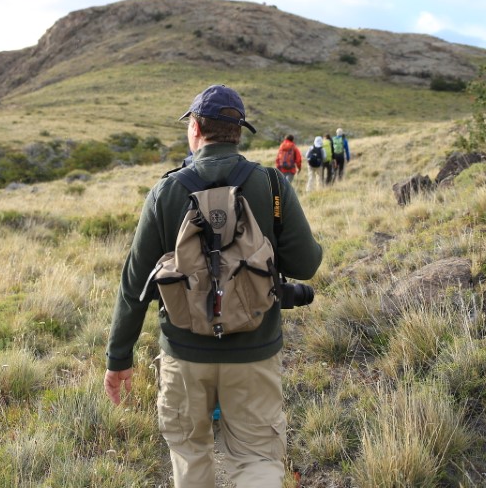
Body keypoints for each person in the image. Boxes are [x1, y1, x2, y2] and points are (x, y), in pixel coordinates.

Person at [104, 85, 323, 487]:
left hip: (184, 355)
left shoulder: (166, 192)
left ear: (196, 129)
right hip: (255, 351)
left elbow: (134, 285)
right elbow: (307, 265)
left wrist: (119, 357)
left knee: (190, 454)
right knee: (257, 458)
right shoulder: (273, 185)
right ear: (237, 131)